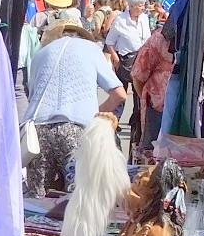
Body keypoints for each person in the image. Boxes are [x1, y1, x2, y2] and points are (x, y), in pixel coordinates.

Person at [22, 21, 126, 197]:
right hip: (76, 128)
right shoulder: (91, 50)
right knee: (77, 196)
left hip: (38, 130)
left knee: (37, 197)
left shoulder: (41, 54)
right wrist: (97, 115)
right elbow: (120, 94)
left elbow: (33, 96)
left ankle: (33, 224)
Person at [131, 19, 176, 154]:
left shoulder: (203, 35)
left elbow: (138, 74)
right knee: (155, 151)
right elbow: (139, 74)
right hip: (158, 106)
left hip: (162, 102)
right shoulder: (160, 39)